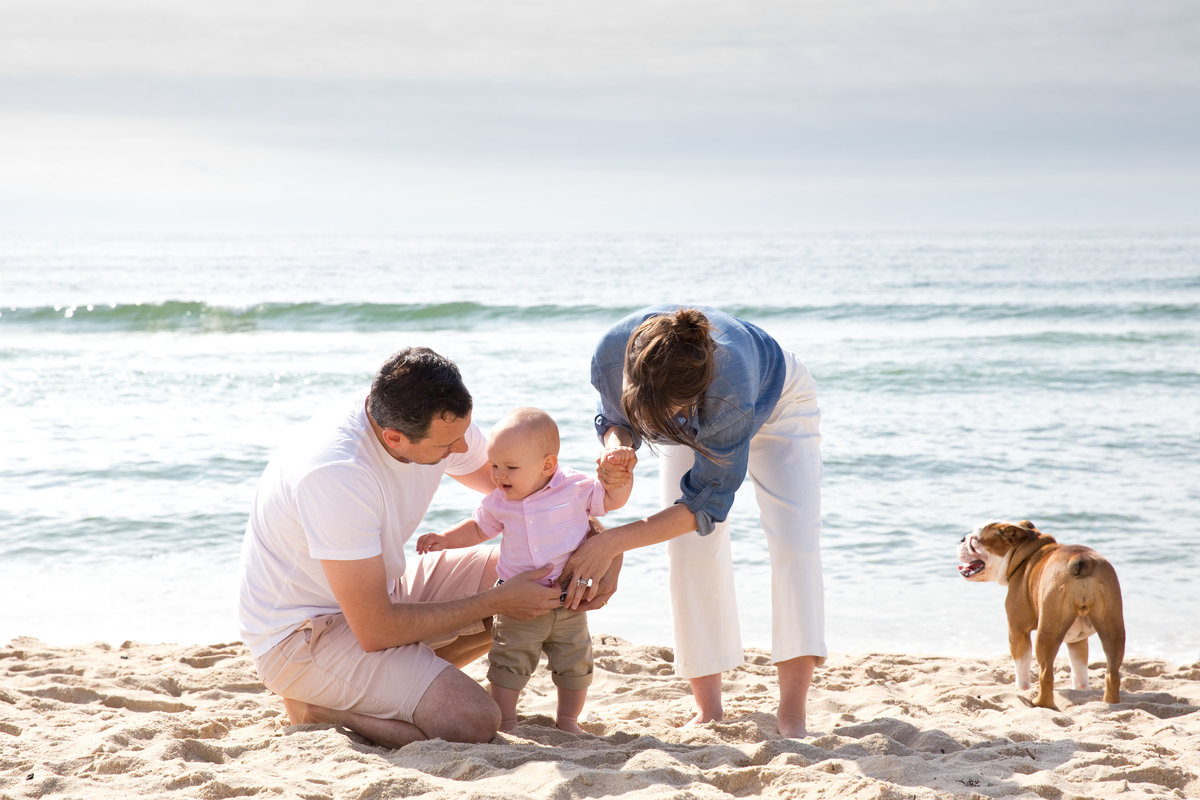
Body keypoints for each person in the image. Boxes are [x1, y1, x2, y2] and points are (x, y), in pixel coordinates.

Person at [236, 347, 603, 749]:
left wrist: (599, 547)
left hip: (380, 594)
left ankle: (402, 688)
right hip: (305, 636)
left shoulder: (434, 420)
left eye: (464, 434)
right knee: (474, 721)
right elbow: (375, 628)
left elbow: (533, 498)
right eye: (447, 446)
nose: (463, 450)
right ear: (394, 437)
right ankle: (320, 708)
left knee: (551, 573)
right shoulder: (337, 473)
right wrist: (498, 601)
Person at [563, 305, 826, 738]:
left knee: (794, 542)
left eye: (677, 415)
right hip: (690, 397)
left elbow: (706, 505)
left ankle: (792, 715)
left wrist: (612, 544)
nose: (669, 426)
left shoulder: (727, 394)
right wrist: (616, 446)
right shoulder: (611, 352)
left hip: (777, 400)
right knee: (688, 550)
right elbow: (615, 419)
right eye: (657, 417)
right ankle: (709, 709)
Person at [416, 407, 636, 733]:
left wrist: (621, 478)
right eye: (494, 466)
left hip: (568, 599)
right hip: (517, 602)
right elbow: (479, 529)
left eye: (510, 468)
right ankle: (506, 721)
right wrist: (445, 539)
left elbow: (612, 501)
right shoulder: (500, 501)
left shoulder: (574, 487)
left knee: (574, 664)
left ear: (547, 465)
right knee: (508, 663)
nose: (499, 475)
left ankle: (568, 720)